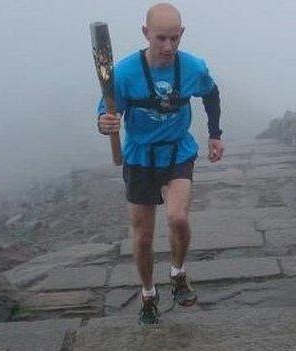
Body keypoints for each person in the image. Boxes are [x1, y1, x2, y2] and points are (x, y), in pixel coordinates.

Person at [96, 2, 224, 325]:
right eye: (160, 38)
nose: (168, 47)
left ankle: (178, 273)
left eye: (174, 39)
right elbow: (107, 113)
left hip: (178, 151)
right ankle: (149, 293)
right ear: (146, 34)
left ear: (182, 35)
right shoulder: (124, 73)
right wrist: (105, 123)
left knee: (178, 218)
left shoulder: (193, 67)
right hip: (139, 157)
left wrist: (215, 134)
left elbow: (211, 93)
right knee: (143, 237)